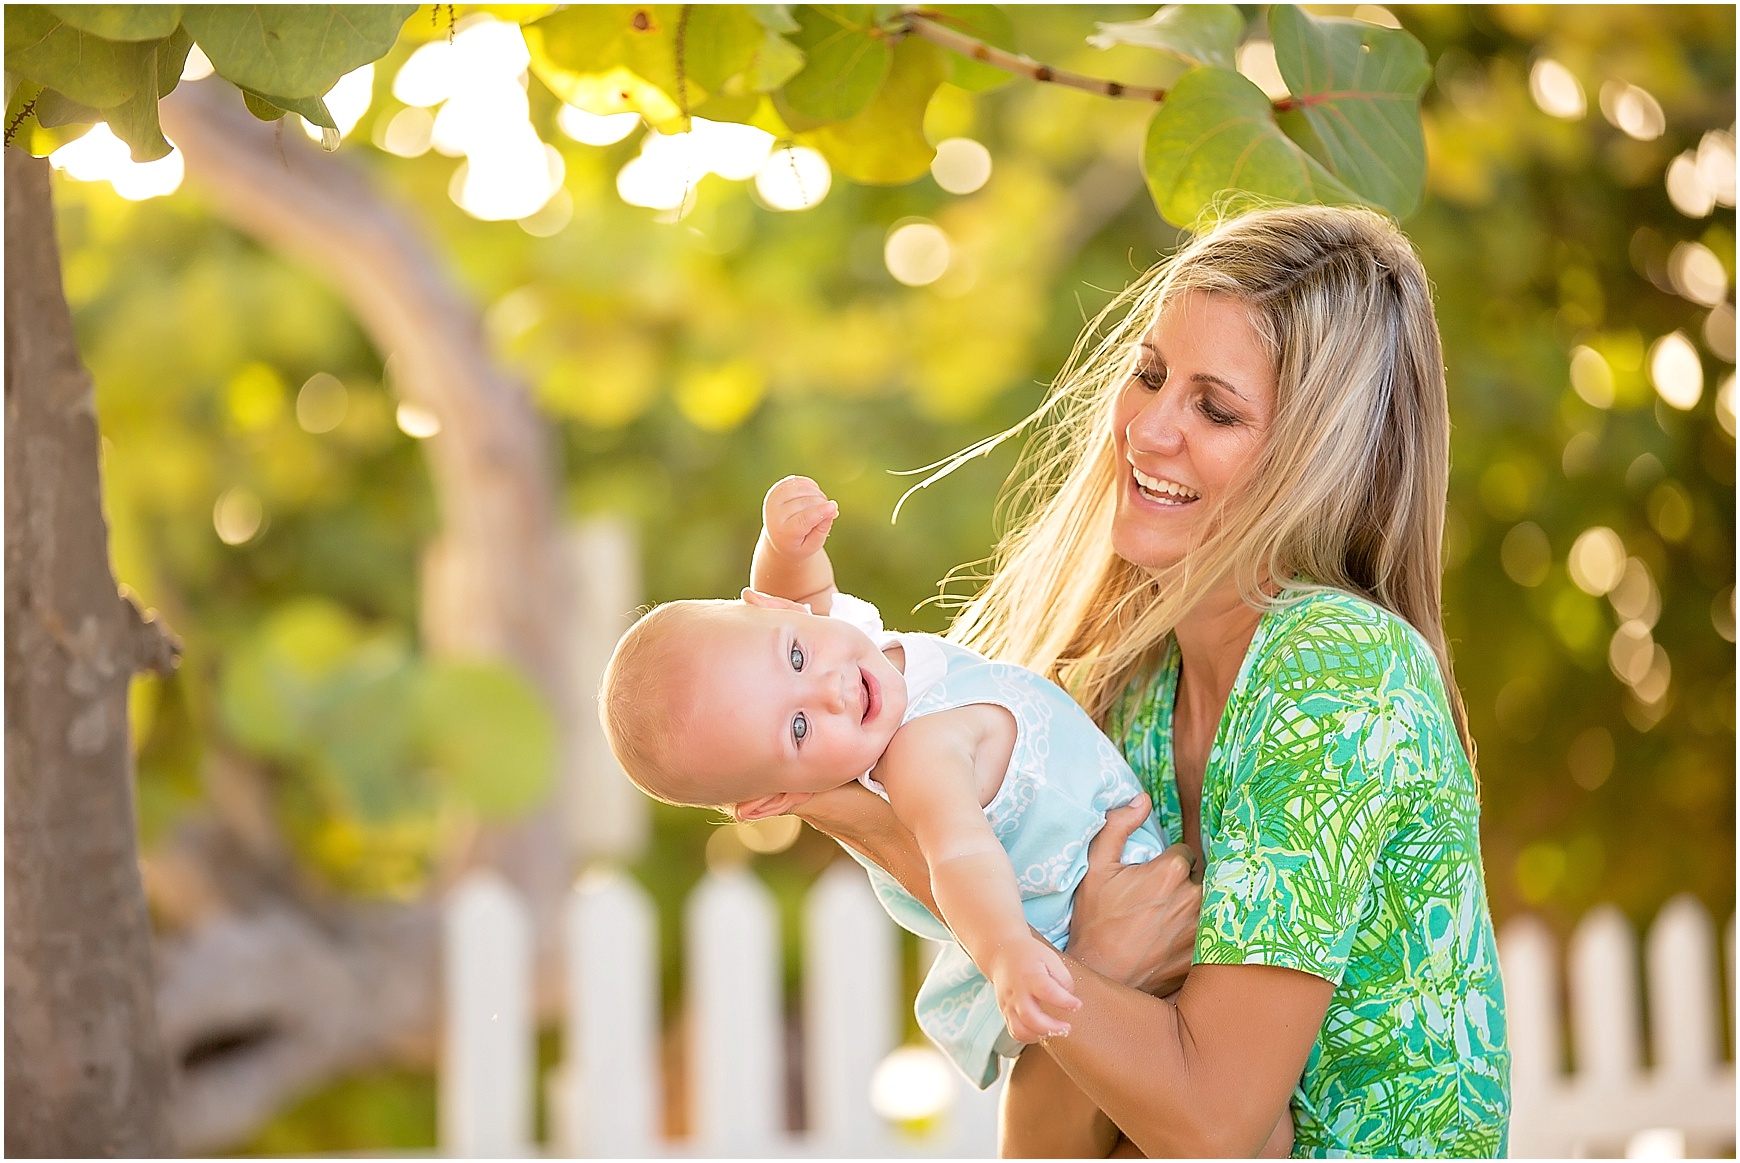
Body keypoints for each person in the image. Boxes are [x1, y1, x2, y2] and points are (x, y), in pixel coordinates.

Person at [789, 204, 1511, 1157]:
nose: (1149, 429)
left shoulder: (1339, 674)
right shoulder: (1123, 700)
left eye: (1216, 408)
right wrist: (1090, 964)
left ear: (1323, 459)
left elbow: (1211, 1120)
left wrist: (877, 825)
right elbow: (1042, 1148)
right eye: (1150, 374)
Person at [600, 476, 1199, 1102]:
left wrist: (787, 547)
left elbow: (795, 598)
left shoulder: (851, 653)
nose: (830, 691)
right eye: (799, 728)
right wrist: (1008, 956)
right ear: (777, 801)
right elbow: (958, 856)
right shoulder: (914, 758)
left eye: (797, 657)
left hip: (1121, 864)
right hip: (1068, 925)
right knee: (1227, 1109)